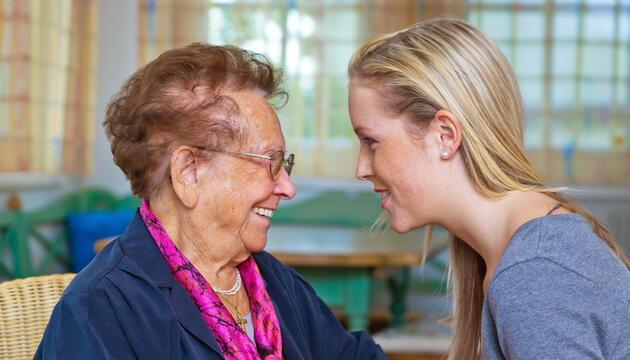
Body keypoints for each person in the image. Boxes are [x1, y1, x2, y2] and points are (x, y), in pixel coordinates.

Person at [35, 43, 386, 360]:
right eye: (271, 162)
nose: (287, 187)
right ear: (189, 172)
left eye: (285, 164)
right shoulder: (102, 308)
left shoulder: (274, 282)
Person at [347, 18, 630, 360]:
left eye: (371, 141)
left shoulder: (533, 273)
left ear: (445, 135)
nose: (361, 169)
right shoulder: (520, 252)